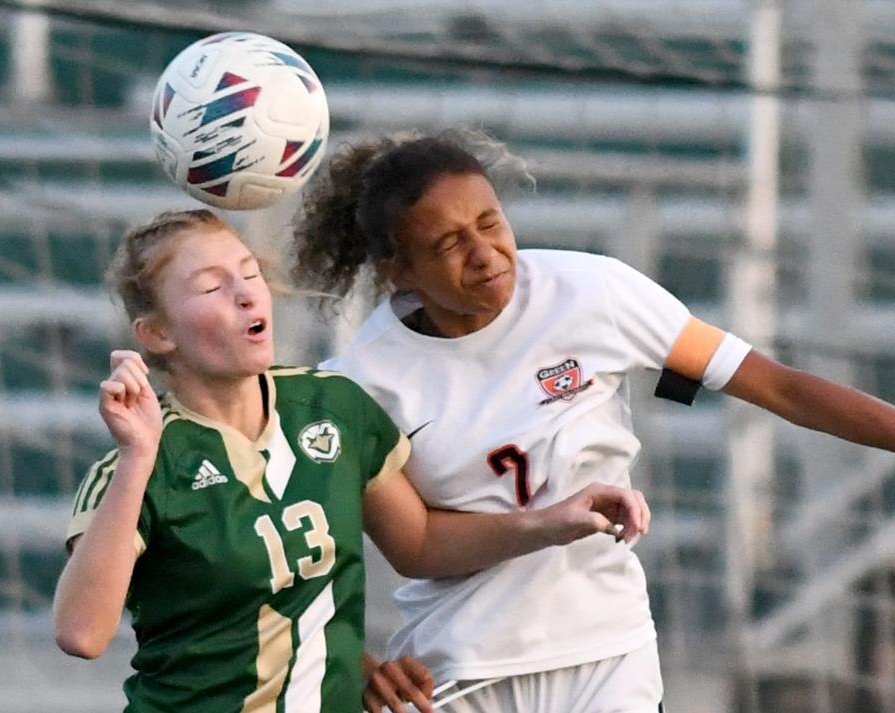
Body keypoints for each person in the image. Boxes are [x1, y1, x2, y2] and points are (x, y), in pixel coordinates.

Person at [290, 129, 895, 713]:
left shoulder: (592, 293)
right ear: (399, 270)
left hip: (608, 655)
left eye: (490, 223)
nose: (484, 255)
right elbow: (415, 546)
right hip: (456, 670)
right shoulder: (358, 385)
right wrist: (363, 663)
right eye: (448, 245)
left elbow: (780, 387)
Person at [52, 208, 652, 713]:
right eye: (212, 287)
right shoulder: (143, 462)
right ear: (156, 334)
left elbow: (417, 543)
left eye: (249, 273)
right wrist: (136, 458)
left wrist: (554, 521)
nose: (245, 293)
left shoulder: (332, 406)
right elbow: (81, 633)